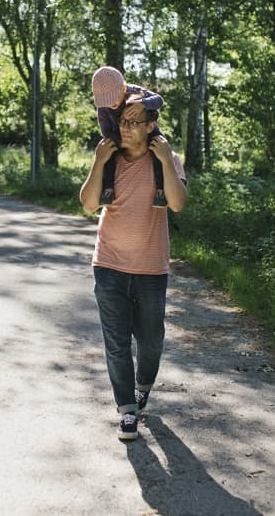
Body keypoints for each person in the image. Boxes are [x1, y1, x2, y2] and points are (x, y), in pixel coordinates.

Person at [80, 97, 188, 441]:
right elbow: (87, 204)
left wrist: (166, 162)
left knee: (151, 340)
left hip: (151, 270)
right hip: (108, 265)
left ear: (150, 126)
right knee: (116, 343)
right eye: (121, 121)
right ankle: (127, 410)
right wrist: (97, 163)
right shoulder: (109, 159)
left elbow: (178, 203)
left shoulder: (167, 161)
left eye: (133, 122)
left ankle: (143, 386)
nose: (124, 128)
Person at [90, 66, 166, 208]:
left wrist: (143, 103)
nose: (110, 104)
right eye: (106, 101)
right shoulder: (103, 107)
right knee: (108, 152)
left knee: (160, 148)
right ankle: (108, 189)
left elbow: (159, 100)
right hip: (118, 135)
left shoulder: (135, 91)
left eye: (113, 99)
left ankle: (161, 191)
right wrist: (118, 142)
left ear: (123, 89)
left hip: (145, 130)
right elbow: (105, 130)